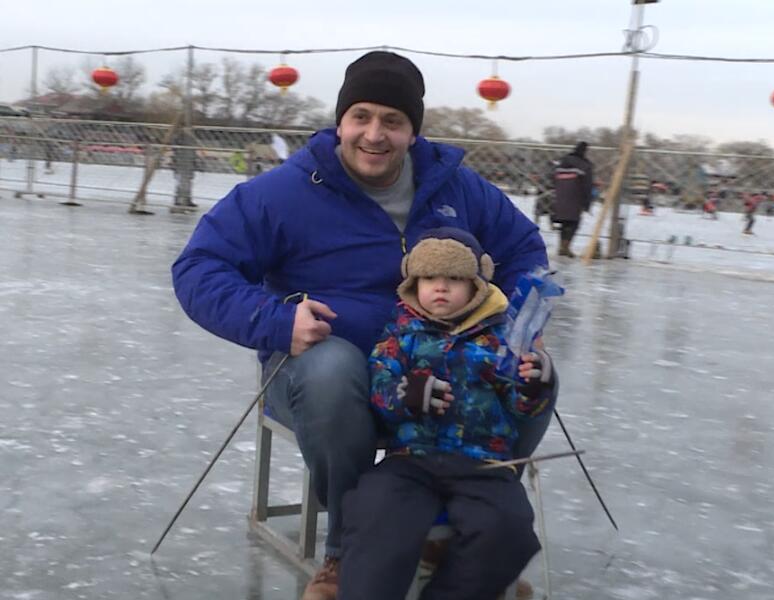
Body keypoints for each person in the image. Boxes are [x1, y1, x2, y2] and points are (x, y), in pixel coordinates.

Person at [170, 50, 554, 600]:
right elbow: (198, 268)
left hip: (441, 374)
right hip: (324, 379)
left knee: (538, 374)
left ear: (412, 132)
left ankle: (461, 533)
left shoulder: (456, 187)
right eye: (361, 117)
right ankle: (345, 552)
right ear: (341, 122)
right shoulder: (284, 192)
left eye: (393, 121)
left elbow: (523, 249)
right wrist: (277, 321)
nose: (374, 134)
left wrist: (512, 324)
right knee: (331, 368)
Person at [338, 227, 554, 600]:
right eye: (430, 278)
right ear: (414, 283)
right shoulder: (399, 334)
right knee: (376, 512)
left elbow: (521, 405)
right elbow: (379, 389)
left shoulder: (501, 338)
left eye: (454, 278)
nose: (441, 287)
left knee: (509, 529)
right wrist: (407, 395)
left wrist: (535, 385)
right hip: (411, 459)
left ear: (476, 284)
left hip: (483, 465)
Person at [551, 141, 594, 257]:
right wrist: (587, 203)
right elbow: (587, 185)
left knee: (564, 222)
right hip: (575, 197)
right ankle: (566, 246)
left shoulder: (562, 161)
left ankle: (562, 246)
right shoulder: (584, 165)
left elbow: (552, 177)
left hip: (560, 195)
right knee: (573, 222)